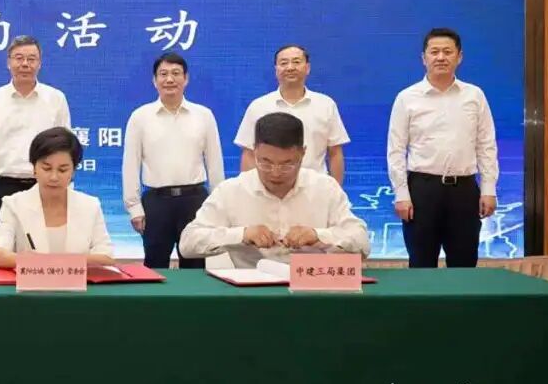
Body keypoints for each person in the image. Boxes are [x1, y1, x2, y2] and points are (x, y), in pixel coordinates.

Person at [180, 112, 369, 268]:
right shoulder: (231, 190)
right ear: (254, 151)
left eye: (287, 164)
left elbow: (362, 240)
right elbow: (188, 243)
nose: (275, 173)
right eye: (266, 162)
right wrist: (242, 235)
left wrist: (318, 235)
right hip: (252, 291)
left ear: (302, 153)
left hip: (311, 286)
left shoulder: (325, 188)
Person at [387, 27, 498, 268]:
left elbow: (486, 145)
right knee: (421, 264)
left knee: (464, 263)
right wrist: (401, 194)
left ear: (459, 57)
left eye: (447, 52)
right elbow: (396, 150)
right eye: (434, 52)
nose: (440, 57)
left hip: (464, 190)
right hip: (422, 190)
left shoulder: (474, 95)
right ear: (423, 58)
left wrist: (489, 189)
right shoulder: (407, 97)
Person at [122, 52, 224, 269]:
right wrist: (134, 207)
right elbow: (130, 165)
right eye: (163, 74)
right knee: (155, 265)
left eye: (176, 73)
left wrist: (218, 206)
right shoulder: (140, 117)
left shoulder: (203, 115)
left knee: (196, 266)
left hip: (195, 202)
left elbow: (215, 163)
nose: (170, 79)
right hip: (156, 203)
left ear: (186, 79)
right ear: (154, 80)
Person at [0, 35, 71, 233]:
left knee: (47, 247)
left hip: (46, 186)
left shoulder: (56, 99)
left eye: (31, 59)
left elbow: (66, 150)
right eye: (19, 58)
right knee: (5, 248)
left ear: (40, 63)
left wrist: (67, 190)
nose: (25, 64)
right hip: (3, 187)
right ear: (8, 62)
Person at [0, 127, 113, 268]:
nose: (54, 177)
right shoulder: (13, 204)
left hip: (79, 282)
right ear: (34, 168)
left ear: (73, 171)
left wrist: (51, 263)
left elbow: (107, 257)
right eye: (47, 168)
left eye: (62, 170)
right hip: (32, 282)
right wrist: (50, 264)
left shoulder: (90, 206)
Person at [234, 44, 350, 183]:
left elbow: (335, 152)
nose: (290, 67)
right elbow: (249, 153)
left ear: (307, 68)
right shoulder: (259, 106)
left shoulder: (325, 105)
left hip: (315, 188)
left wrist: (335, 190)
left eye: (296, 62)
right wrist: (249, 190)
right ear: (276, 69)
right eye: (284, 63)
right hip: (271, 187)